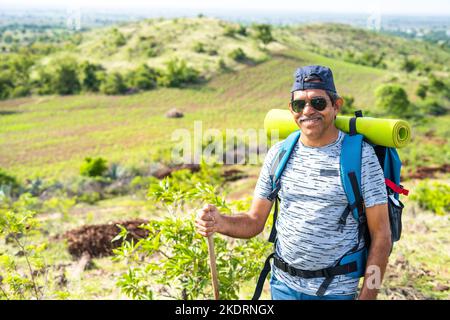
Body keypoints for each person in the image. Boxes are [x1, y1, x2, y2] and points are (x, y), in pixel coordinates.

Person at [195, 65, 392, 300]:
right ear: (291, 109)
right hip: (283, 286)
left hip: (335, 292)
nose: (308, 111)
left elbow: (382, 236)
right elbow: (254, 221)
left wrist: (368, 297)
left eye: (318, 103)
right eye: (300, 104)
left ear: (336, 106)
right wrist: (220, 222)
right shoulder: (279, 153)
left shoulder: (360, 156)